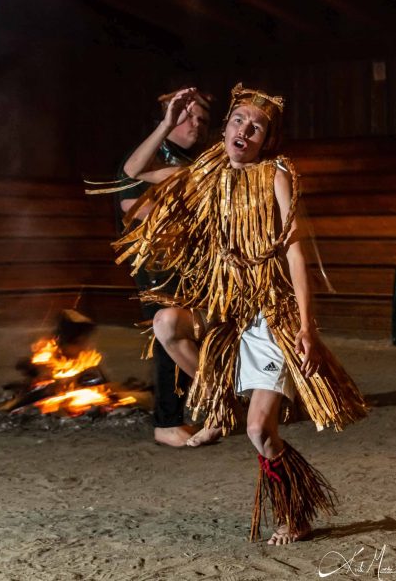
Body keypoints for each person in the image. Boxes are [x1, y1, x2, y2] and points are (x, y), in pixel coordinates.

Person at [115, 83, 367, 544]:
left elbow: (295, 253)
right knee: (166, 323)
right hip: (226, 311)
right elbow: (134, 170)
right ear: (226, 126)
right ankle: (220, 404)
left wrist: (307, 327)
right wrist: (168, 122)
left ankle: (295, 511)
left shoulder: (275, 173)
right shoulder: (206, 172)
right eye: (238, 121)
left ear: (266, 139)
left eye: (256, 127)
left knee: (261, 433)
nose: (244, 131)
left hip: (271, 314)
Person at [115, 87, 211, 448]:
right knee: (165, 332)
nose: (196, 125)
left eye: (202, 119)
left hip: (195, 263)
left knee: (189, 333)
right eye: (188, 117)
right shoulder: (150, 155)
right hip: (158, 262)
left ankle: (202, 405)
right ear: (167, 119)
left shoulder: (198, 159)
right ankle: (167, 422)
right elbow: (130, 205)